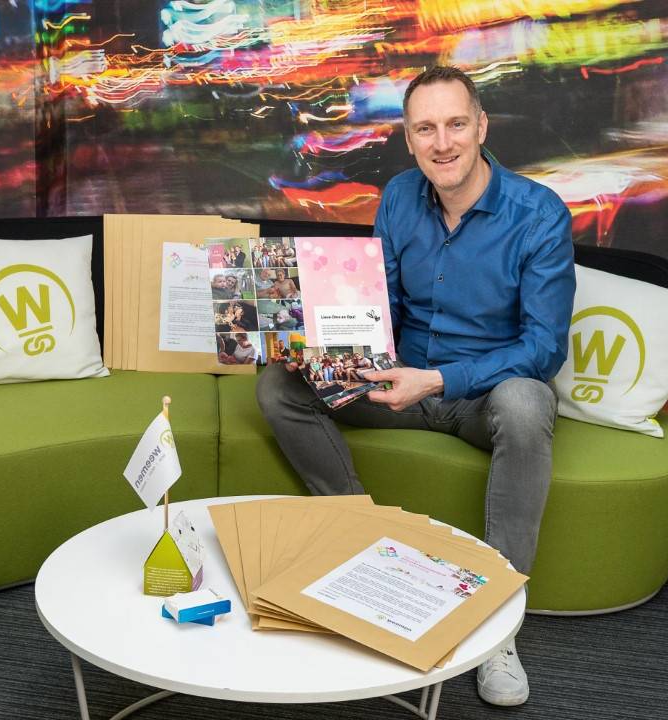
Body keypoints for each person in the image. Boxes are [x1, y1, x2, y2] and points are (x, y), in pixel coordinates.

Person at [255, 66, 574, 708]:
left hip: (479, 397)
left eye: (456, 124)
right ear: (408, 138)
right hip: (395, 382)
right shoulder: (400, 196)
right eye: (426, 128)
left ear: (481, 127)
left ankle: (497, 624)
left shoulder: (538, 214)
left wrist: (438, 379)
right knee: (278, 386)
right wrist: (319, 347)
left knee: (527, 399)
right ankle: (358, 549)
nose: (443, 142)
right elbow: (379, 304)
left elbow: (543, 349)